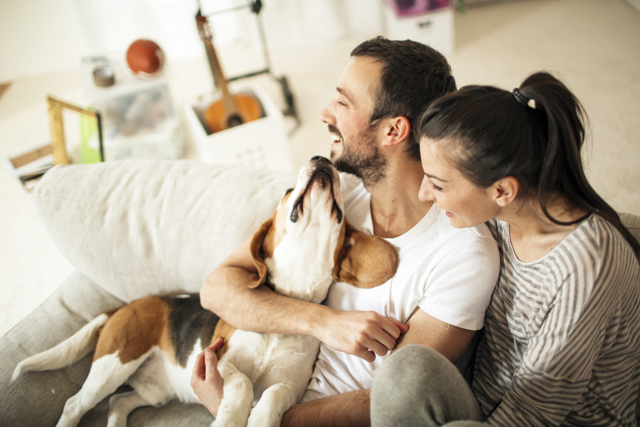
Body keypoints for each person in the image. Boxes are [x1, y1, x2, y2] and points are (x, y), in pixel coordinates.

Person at [191, 36, 501, 426]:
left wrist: (245, 415)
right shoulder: (338, 193)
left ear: (393, 131)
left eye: (343, 101)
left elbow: (392, 397)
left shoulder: (464, 254)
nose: (324, 112)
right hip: (267, 387)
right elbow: (216, 288)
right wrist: (322, 322)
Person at [370, 71, 640, 426]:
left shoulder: (586, 264)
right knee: (405, 369)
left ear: (502, 191)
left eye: (437, 184)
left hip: (547, 419)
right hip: (485, 395)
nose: (425, 194)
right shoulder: (500, 215)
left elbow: (534, 413)